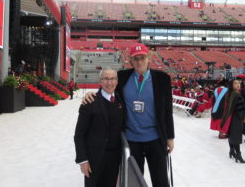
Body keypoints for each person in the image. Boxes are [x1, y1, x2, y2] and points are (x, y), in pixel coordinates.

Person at [83, 43, 174, 187]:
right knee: (134, 181)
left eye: (142, 58)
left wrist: (170, 137)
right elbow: (108, 88)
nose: (139, 62)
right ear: (130, 61)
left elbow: (167, 110)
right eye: (135, 59)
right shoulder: (123, 77)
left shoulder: (162, 79)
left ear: (148, 58)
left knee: (161, 180)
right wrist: (93, 95)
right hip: (132, 139)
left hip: (156, 138)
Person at [74, 68, 125, 187]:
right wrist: (83, 160)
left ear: (117, 81)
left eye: (112, 79)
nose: (109, 82)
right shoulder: (90, 102)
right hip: (94, 159)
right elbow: (79, 134)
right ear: (100, 81)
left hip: (114, 158)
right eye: (106, 79)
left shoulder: (121, 100)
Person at [222, 79, 245, 163]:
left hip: (229, 117)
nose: (238, 85)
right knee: (236, 136)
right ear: (231, 85)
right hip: (236, 118)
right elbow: (240, 108)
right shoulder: (237, 94)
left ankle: (231, 151)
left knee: (231, 135)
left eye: (239, 83)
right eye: (235, 83)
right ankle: (238, 155)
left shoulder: (229, 93)